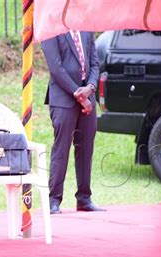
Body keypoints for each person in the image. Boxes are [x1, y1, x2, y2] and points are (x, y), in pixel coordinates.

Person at [41, 31, 106, 214]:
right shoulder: (51, 29)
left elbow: (94, 63)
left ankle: (84, 198)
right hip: (63, 99)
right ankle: (54, 199)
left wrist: (90, 88)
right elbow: (56, 68)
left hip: (87, 97)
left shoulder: (86, 30)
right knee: (61, 148)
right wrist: (78, 93)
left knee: (86, 148)